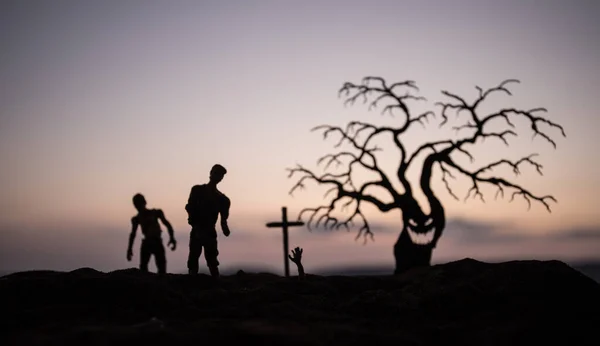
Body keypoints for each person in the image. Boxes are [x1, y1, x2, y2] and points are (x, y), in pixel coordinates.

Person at [185, 164, 231, 278]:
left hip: (209, 232)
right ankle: (192, 279)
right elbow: (190, 207)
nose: (217, 176)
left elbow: (224, 221)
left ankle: (215, 280)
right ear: (210, 173)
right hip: (197, 229)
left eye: (220, 175)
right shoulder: (197, 190)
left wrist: (225, 228)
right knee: (193, 258)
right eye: (215, 173)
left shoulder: (223, 199)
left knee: (212, 260)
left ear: (221, 178)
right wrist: (193, 221)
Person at [127, 193, 177, 274]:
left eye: (139, 203)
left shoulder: (156, 212)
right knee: (144, 268)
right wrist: (129, 249)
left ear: (144, 202)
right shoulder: (136, 218)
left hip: (156, 242)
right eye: (137, 204)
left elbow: (167, 224)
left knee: (160, 268)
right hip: (148, 243)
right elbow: (133, 234)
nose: (138, 206)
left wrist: (172, 238)